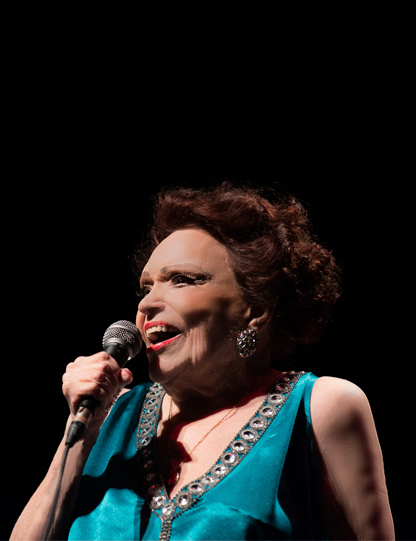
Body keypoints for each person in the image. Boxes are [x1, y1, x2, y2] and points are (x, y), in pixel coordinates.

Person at [11, 182, 394, 540]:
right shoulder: (109, 414)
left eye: (182, 279)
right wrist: (80, 433)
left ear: (255, 307)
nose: (147, 304)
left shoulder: (322, 407)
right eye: (147, 287)